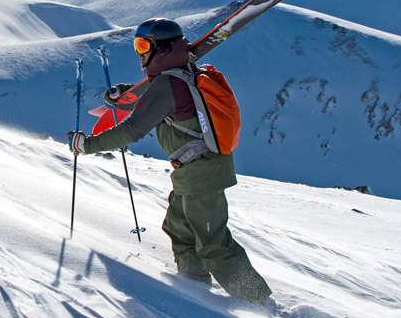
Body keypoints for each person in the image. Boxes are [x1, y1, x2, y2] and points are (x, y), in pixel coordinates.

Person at [68, 18, 272, 303]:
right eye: (137, 45)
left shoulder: (168, 84)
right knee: (179, 227)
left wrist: (87, 145)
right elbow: (162, 97)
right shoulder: (182, 72)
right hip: (194, 171)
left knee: (213, 243)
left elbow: (133, 129)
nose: (139, 53)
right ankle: (194, 288)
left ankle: (257, 300)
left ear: (161, 49)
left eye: (143, 45)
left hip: (201, 173)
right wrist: (127, 92)